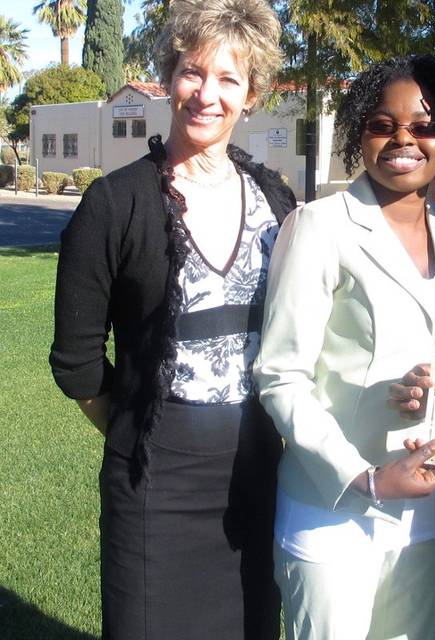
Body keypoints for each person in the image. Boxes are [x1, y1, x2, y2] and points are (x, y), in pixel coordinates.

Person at [48, 1, 295, 638]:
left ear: (253, 93)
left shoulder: (278, 202)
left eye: (228, 79)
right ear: (168, 79)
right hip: (154, 484)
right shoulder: (114, 204)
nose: (206, 94)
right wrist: (138, 430)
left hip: (260, 477)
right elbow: (77, 363)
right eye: (192, 72)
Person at [253, 55, 435, 640]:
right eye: (384, 124)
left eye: (425, 126)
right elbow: (280, 374)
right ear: (360, 132)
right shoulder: (319, 226)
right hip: (333, 506)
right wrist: (365, 479)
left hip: (427, 509)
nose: (404, 139)